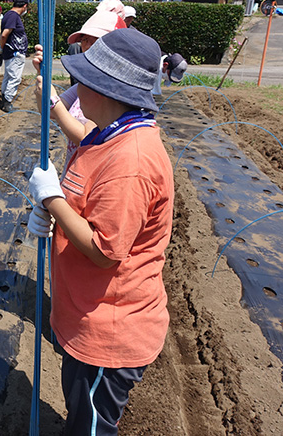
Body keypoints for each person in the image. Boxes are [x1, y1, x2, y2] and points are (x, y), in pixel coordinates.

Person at [28, 29, 174, 435]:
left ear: (107, 91)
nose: (75, 89)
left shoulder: (131, 160)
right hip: (87, 313)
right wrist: (53, 215)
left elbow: (104, 250)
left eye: (82, 81)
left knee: (89, 426)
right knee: (80, 411)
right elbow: (90, 211)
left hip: (109, 332)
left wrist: (51, 199)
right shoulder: (107, 134)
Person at [35, 10, 125, 165]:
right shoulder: (86, 84)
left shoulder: (112, 89)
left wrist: (53, 102)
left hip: (92, 175)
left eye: (95, 40)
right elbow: (48, 111)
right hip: (77, 169)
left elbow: (87, 137)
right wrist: (41, 75)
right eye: (84, 39)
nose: (87, 46)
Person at [0, 0, 30, 113]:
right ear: (25, 6)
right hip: (14, 52)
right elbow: (5, 34)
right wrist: (1, 47)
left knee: (9, 75)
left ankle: (4, 99)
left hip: (11, 52)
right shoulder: (13, 16)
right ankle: (7, 102)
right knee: (15, 78)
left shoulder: (8, 15)